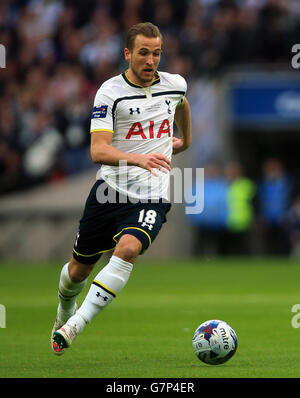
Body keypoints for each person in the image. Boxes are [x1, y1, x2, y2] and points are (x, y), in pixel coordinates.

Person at [51, 22, 191, 355]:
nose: (151, 60)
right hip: (108, 193)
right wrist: (137, 159)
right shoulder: (110, 92)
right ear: (128, 53)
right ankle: (64, 311)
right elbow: (98, 151)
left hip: (152, 196)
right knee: (76, 271)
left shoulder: (175, 84)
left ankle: (76, 325)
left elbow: (182, 103)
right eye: (143, 53)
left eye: (156, 53)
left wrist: (185, 140)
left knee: (128, 249)